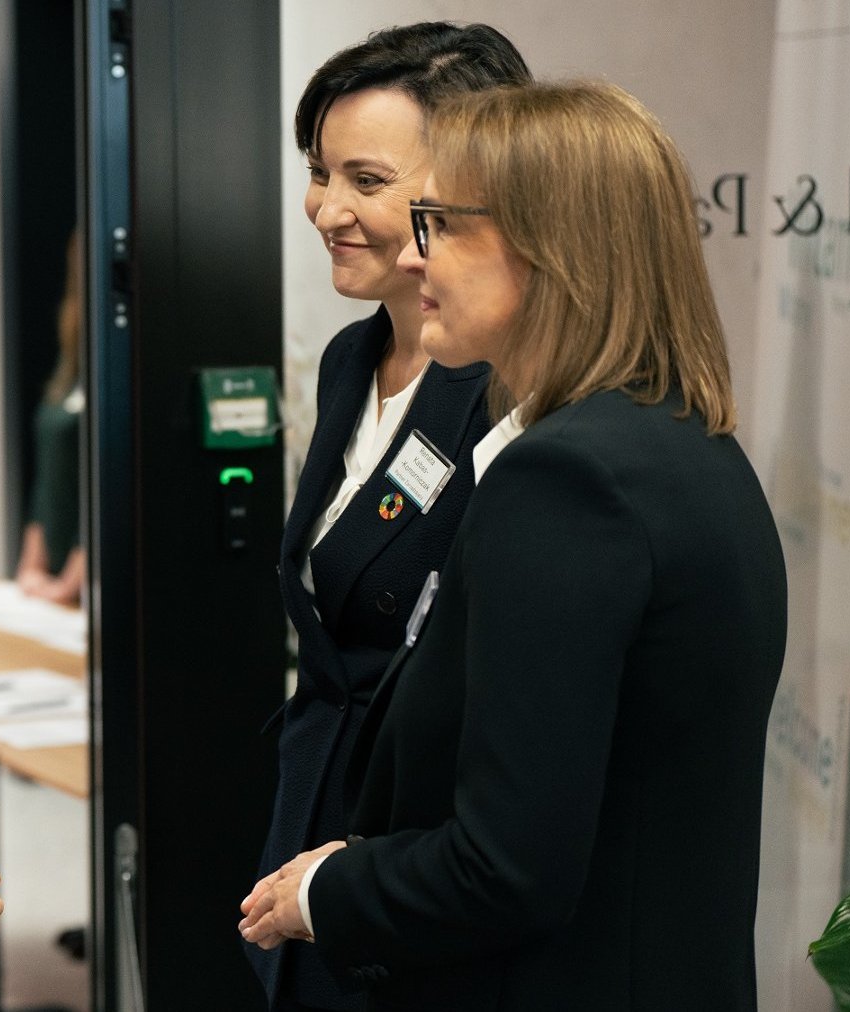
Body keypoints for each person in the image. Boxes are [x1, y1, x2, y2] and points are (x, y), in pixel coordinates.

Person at [240, 81, 788, 1010]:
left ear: (550, 252)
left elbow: (504, 867)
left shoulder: (565, 485)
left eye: (442, 225)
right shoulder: (685, 442)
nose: (414, 259)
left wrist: (325, 890)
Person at [248, 23, 530, 1011]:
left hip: (415, 869)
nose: (325, 208)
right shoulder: (348, 360)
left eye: (365, 180)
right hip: (311, 829)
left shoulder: (519, 399)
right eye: (319, 172)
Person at [15, 227, 86, 605]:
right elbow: (48, 475)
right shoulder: (74, 351)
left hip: (85, 592)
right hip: (55, 590)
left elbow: (110, 483)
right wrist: (31, 570)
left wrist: (70, 587)